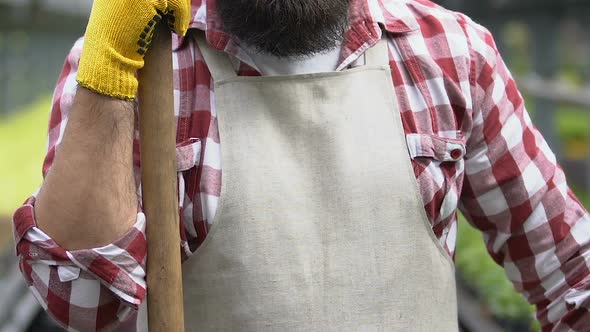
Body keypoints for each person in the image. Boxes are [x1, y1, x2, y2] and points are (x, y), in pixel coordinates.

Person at [12, 0, 590, 330]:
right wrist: (110, 76)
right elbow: (83, 306)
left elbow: (572, 278)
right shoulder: (136, 69)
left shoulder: (450, 53)